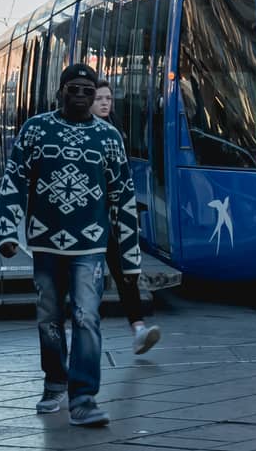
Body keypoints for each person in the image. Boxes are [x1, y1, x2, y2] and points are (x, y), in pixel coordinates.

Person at [0, 64, 139, 428]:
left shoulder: (109, 138)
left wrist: (129, 257)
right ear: (60, 91)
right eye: (72, 89)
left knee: (87, 317)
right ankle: (55, 381)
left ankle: (84, 398)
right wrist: (8, 233)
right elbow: (14, 180)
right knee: (49, 319)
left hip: (90, 246)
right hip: (45, 244)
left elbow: (123, 196)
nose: (79, 96)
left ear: (95, 97)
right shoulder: (36, 129)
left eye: (87, 91)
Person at [92, 82, 162, 355]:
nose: (105, 103)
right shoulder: (86, 134)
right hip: (86, 223)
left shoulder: (115, 132)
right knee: (89, 276)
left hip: (113, 219)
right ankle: (83, 327)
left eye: (108, 98)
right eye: (99, 98)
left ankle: (138, 329)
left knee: (124, 273)